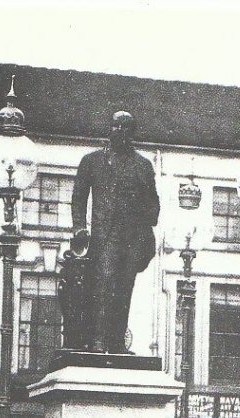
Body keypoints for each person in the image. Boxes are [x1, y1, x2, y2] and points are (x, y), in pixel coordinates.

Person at [71, 110, 160, 353]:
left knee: (124, 288)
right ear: (109, 129)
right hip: (104, 236)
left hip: (133, 238)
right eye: (115, 126)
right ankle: (97, 339)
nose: (119, 131)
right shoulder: (92, 161)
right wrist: (79, 227)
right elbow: (79, 198)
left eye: (125, 127)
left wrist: (145, 218)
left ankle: (117, 341)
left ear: (133, 132)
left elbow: (153, 203)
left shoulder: (143, 165)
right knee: (103, 285)